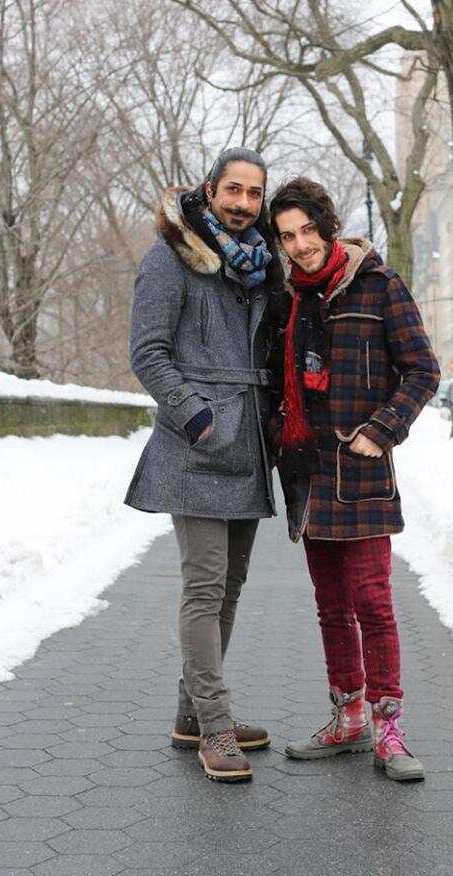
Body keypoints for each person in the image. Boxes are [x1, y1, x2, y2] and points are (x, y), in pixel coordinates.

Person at [268, 177, 440, 781]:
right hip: (310, 475)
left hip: (362, 471)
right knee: (331, 606)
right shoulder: (287, 298)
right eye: (288, 236)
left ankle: (389, 728)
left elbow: (422, 369)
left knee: (373, 602)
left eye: (307, 230)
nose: (300, 245)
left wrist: (381, 430)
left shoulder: (378, 284)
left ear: (328, 226)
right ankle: (348, 717)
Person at [125, 148, 283, 783]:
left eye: (254, 193)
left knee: (231, 585)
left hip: (248, 445)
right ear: (210, 189)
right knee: (205, 586)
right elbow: (148, 351)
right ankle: (215, 725)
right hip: (197, 446)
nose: (243, 203)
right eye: (233, 190)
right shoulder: (171, 256)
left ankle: (192, 714)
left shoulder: (260, 264)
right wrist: (197, 416)